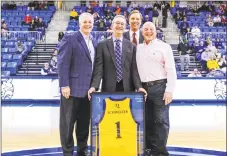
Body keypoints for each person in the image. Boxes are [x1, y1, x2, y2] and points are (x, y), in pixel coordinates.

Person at [57, 12, 96, 156]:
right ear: (79, 23)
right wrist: (64, 85)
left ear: (93, 23)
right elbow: (62, 63)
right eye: (85, 22)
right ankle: (67, 151)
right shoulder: (70, 38)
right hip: (72, 89)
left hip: (88, 92)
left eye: (90, 22)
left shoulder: (94, 41)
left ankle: (82, 149)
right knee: (67, 124)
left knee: (84, 124)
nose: (87, 24)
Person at [136, 22, 177, 156]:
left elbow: (171, 70)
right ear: (142, 32)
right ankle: (149, 149)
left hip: (160, 87)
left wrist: (169, 90)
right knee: (146, 121)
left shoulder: (164, 47)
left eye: (151, 29)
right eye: (146, 29)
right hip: (143, 90)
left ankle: (160, 151)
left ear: (156, 31)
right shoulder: (138, 48)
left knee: (161, 120)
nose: (148, 32)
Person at [88, 15, 146, 98]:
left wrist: (139, 87)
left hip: (128, 88)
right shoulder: (102, 45)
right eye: (117, 23)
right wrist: (94, 86)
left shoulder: (131, 46)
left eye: (122, 24)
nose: (120, 26)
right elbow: (98, 68)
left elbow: (134, 69)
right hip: (108, 88)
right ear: (112, 26)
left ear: (125, 27)